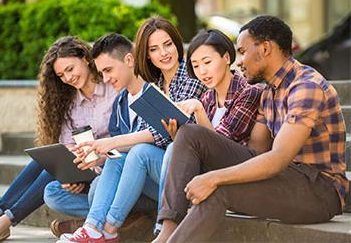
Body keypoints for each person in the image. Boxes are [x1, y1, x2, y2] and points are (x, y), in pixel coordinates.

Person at [153, 15, 348, 243]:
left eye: (243, 52)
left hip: (318, 190)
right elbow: (254, 153)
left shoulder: (306, 87)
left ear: (265, 48)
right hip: (284, 179)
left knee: (218, 190)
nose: (240, 61)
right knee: (191, 135)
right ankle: (167, 231)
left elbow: (277, 158)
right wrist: (201, 154)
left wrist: (214, 178)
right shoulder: (269, 92)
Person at [58, 16, 205, 243]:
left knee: (136, 153)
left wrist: (110, 143)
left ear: (177, 43)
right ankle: (98, 229)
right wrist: (103, 152)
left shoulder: (191, 77)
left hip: (185, 168)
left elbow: (158, 133)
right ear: (146, 54)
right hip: (160, 166)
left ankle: (121, 228)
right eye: (154, 49)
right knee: (117, 159)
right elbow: (150, 132)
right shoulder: (154, 83)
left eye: (167, 44)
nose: (163, 53)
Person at [0, 36, 117, 243]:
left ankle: (2, 224)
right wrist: (70, 176)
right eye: (61, 75)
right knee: (51, 189)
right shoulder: (71, 103)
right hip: (85, 170)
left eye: (70, 69)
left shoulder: (113, 88)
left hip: (110, 170)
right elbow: (68, 146)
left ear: (85, 58)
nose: (68, 78)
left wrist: (88, 162)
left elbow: (120, 142)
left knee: (50, 172)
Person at [43, 33, 157, 237]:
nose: (105, 78)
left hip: (146, 177)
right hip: (108, 170)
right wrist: (77, 165)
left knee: (99, 188)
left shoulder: (141, 92)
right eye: (61, 75)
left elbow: (154, 140)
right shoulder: (122, 102)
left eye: (108, 71)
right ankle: (107, 224)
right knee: (52, 192)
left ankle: (97, 227)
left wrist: (106, 148)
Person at [153, 28, 262, 234]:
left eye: (207, 62)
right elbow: (199, 146)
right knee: (170, 145)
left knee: (185, 139)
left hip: (241, 171)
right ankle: (167, 228)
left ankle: (165, 231)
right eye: (195, 66)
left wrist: (199, 113)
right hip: (210, 172)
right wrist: (177, 135)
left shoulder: (249, 92)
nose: (202, 72)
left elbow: (220, 144)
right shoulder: (208, 98)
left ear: (227, 58)